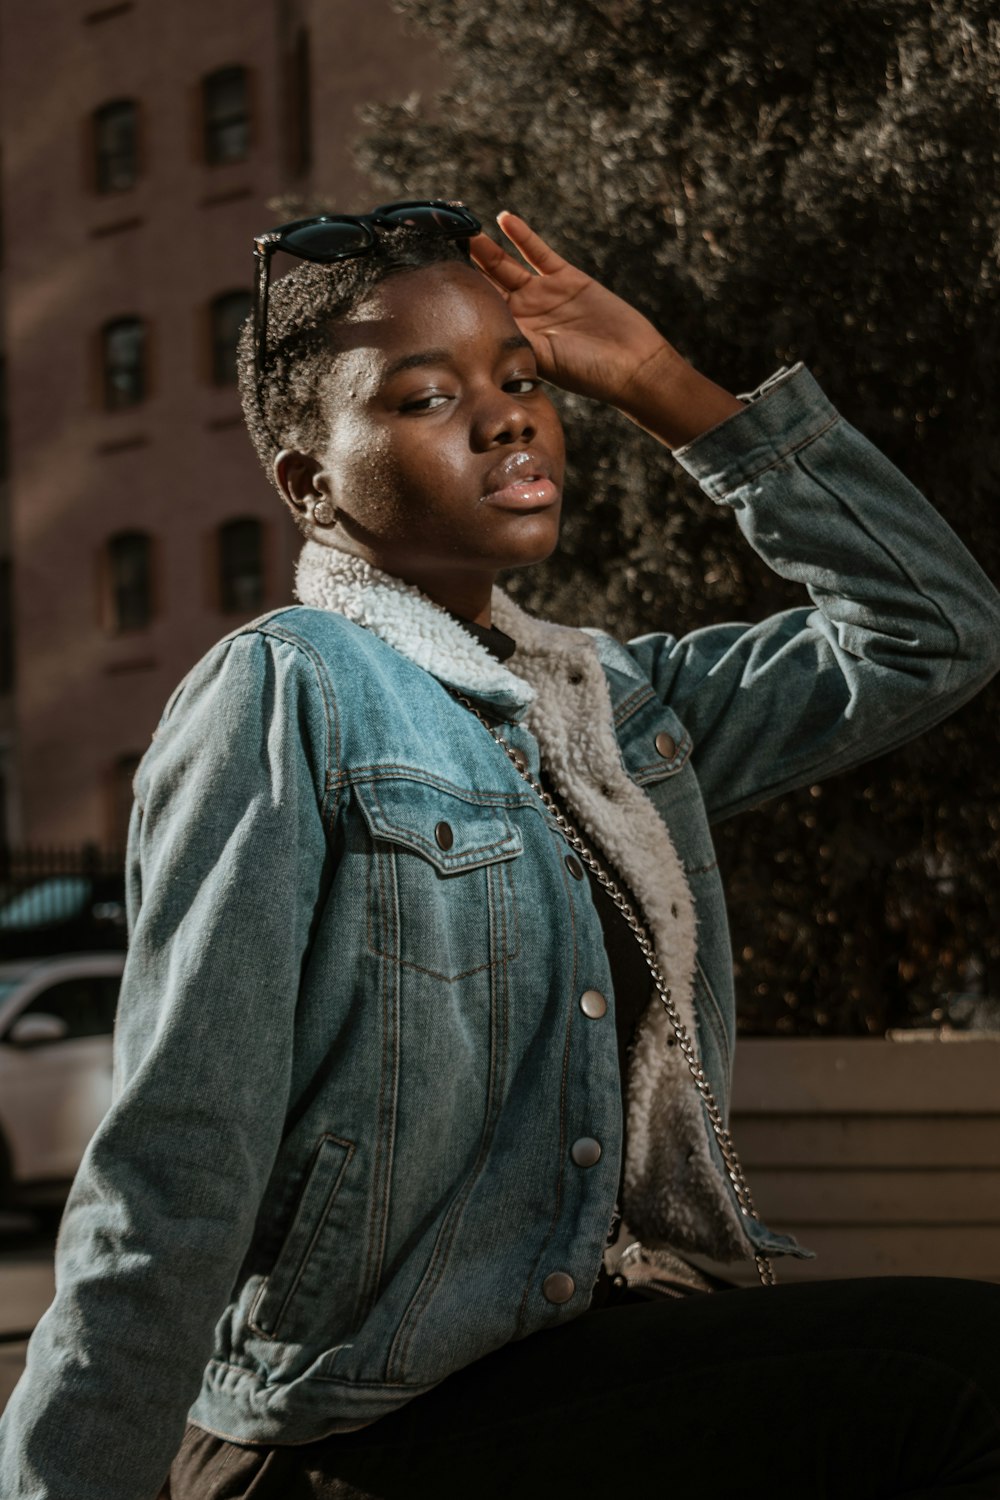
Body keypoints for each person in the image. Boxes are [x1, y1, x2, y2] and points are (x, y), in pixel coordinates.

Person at [2, 202, 1000, 1500]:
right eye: (425, 397)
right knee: (965, 1378)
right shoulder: (288, 695)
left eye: (523, 381)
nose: (510, 415)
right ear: (310, 484)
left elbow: (934, 632)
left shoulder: (618, 714)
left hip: (589, 1365)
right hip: (364, 1425)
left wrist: (658, 382)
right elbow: (178, 1161)